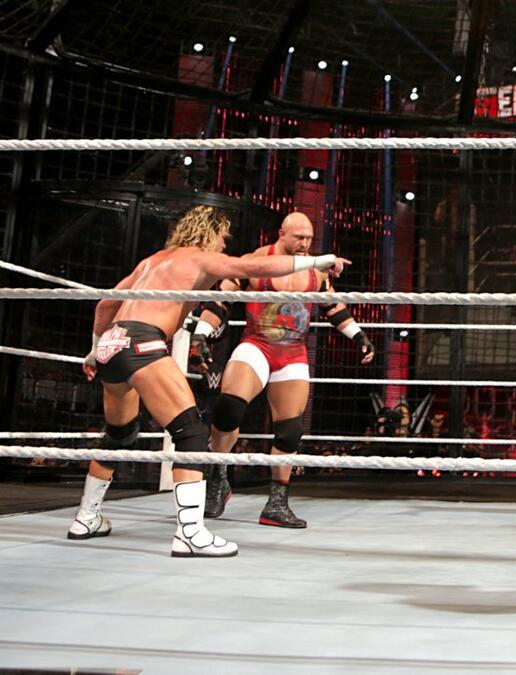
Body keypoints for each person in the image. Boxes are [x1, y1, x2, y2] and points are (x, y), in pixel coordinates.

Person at [68, 205, 349, 557]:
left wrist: (95, 352)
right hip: (143, 342)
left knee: (120, 434)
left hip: (113, 343)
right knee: (192, 433)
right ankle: (190, 533)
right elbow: (252, 266)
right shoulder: (199, 258)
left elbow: (106, 304)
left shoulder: (152, 261)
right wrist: (316, 261)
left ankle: (85, 518)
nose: (223, 244)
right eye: (222, 238)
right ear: (211, 234)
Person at [198, 212, 375, 529]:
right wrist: (201, 334)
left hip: (293, 352)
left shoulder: (316, 272)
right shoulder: (255, 261)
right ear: (282, 234)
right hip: (256, 344)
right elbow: (220, 300)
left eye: (309, 238)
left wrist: (359, 337)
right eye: (299, 238)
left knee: (290, 430)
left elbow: (333, 307)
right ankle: (219, 477)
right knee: (227, 411)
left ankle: (277, 503)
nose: (305, 244)